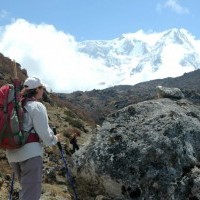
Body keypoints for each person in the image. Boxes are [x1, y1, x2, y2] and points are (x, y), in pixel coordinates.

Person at [6, 77, 60, 200]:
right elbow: (44, 134)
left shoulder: (15, 104)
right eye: (42, 88)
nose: (43, 91)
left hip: (12, 154)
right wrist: (55, 139)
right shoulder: (36, 106)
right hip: (30, 154)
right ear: (36, 89)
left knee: (26, 191)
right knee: (31, 195)